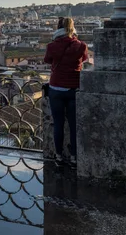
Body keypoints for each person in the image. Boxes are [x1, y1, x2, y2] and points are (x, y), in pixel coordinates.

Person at [44, 17, 88, 168]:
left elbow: (48, 60)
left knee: (58, 124)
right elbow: (84, 60)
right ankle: (75, 157)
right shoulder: (81, 46)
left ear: (58, 28)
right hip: (73, 89)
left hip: (55, 89)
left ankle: (58, 156)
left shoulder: (52, 46)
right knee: (74, 125)